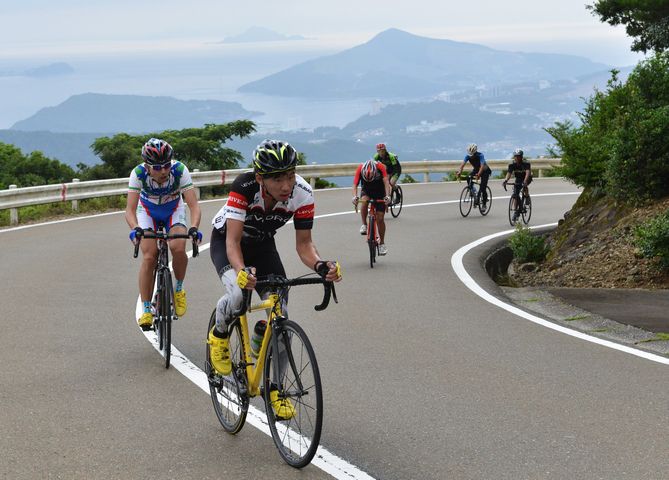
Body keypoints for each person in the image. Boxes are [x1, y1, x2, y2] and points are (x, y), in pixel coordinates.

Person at [207, 139, 341, 418]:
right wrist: (242, 272)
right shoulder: (243, 187)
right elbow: (232, 242)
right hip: (228, 243)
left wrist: (320, 265)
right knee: (236, 296)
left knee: (280, 311)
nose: (286, 185)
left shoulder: (302, 194)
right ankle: (219, 334)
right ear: (260, 178)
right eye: (278, 178)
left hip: (263, 245)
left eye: (290, 175)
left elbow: (304, 245)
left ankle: (275, 389)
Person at [126, 138, 202, 330]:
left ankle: (178, 289)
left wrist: (193, 227)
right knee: (150, 256)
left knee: (178, 247)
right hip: (148, 211)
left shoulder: (179, 171)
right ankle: (145, 309)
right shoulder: (138, 174)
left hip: (173, 209)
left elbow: (193, 206)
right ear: (147, 166)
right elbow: (130, 210)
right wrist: (135, 228)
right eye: (157, 167)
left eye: (166, 165)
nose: (163, 171)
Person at [352, 159, 392, 255]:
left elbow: (386, 182)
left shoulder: (380, 167)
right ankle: (364, 225)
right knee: (364, 201)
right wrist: (354, 197)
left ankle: (382, 243)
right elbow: (355, 185)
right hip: (367, 190)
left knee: (380, 218)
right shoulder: (360, 168)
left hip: (380, 192)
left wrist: (387, 196)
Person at [502, 148, 533, 221]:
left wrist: (525, 181)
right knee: (516, 194)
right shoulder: (512, 165)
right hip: (518, 178)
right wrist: (506, 180)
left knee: (524, 186)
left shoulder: (526, 163)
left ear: (521, 157)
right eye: (515, 156)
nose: (517, 158)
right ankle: (516, 212)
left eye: (518, 156)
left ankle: (527, 197)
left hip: (527, 177)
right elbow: (509, 173)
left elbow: (528, 173)